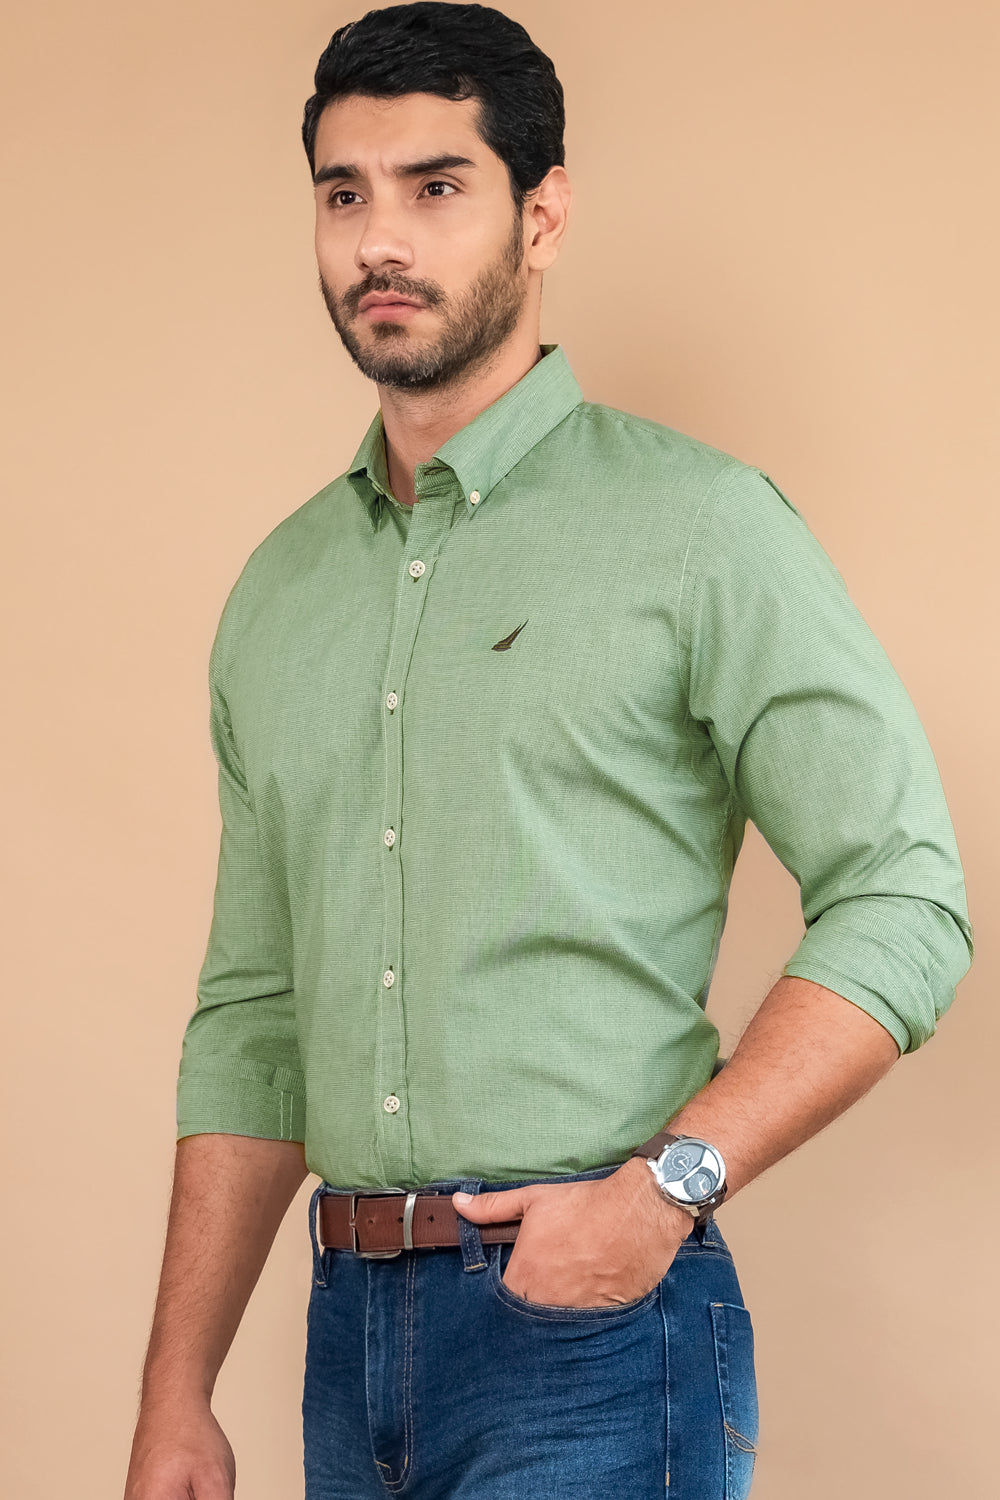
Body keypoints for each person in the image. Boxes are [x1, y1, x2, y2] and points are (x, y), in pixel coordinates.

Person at [123, 5, 973, 1498]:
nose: (381, 240)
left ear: (544, 212)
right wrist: (176, 1391)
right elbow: (254, 1015)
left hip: (598, 1335)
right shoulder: (279, 594)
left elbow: (905, 897)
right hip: (346, 1340)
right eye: (344, 193)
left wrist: (667, 1189)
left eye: (436, 186)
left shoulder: (699, 528)